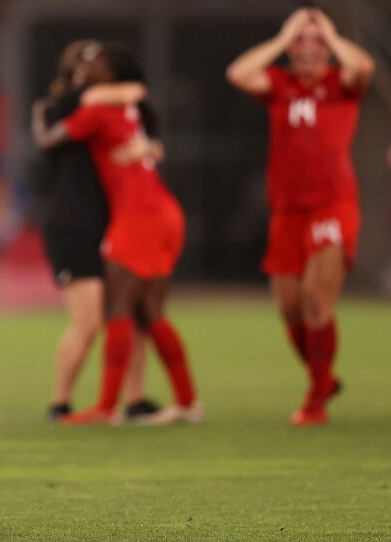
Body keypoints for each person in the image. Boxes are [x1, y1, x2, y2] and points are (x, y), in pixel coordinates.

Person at [32, 43, 201, 425]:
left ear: (110, 77)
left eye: (97, 62)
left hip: (139, 215)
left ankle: (106, 408)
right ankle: (188, 402)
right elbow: (136, 96)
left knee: (118, 312)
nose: (89, 67)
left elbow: (48, 141)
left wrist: (39, 119)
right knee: (149, 313)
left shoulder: (94, 111)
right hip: (163, 211)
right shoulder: (127, 108)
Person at [226, 8, 374, 425]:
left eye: (317, 42)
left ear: (330, 48)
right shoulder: (280, 84)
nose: (307, 48)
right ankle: (321, 380)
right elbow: (238, 72)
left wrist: (328, 31)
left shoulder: (341, 84)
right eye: (300, 42)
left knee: (315, 298)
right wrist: (283, 36)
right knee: (290, 309)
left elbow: (362, 65)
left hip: (332, 204)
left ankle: (316, 400)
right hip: (287, 209)